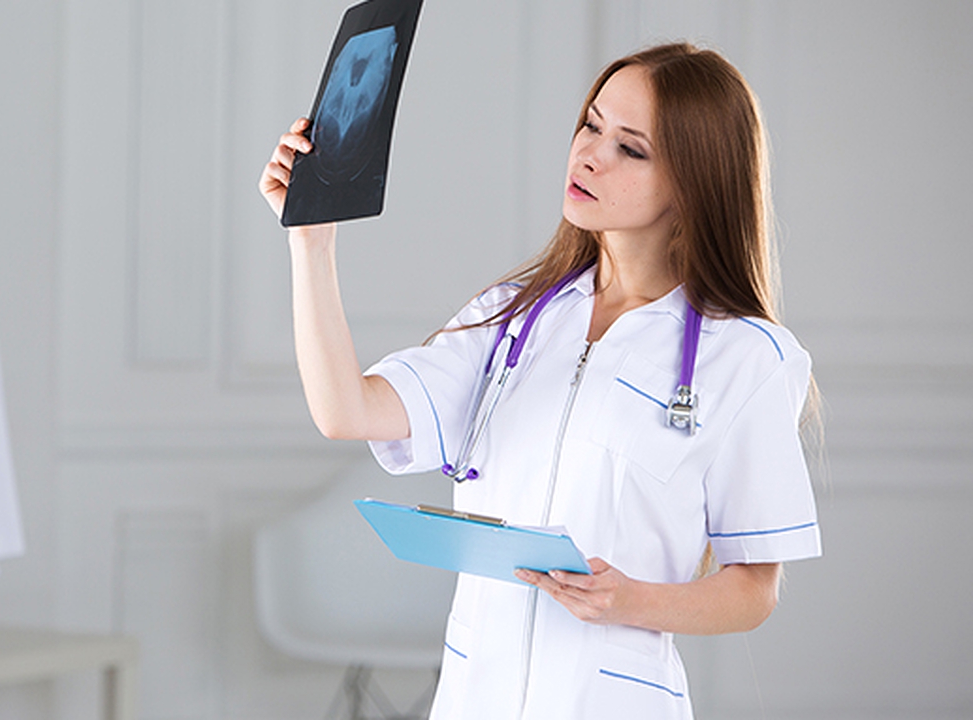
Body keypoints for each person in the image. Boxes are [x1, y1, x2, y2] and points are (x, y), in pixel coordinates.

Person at [259, 42, 821, 720]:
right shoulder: (512, 318)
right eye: (591, 125)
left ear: (694, 183)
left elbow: (754, 589)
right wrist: (310, 242)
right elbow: (344, 410)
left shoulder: (747, 359)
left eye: (630, 149)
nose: (589, 155)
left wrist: (633, 600)